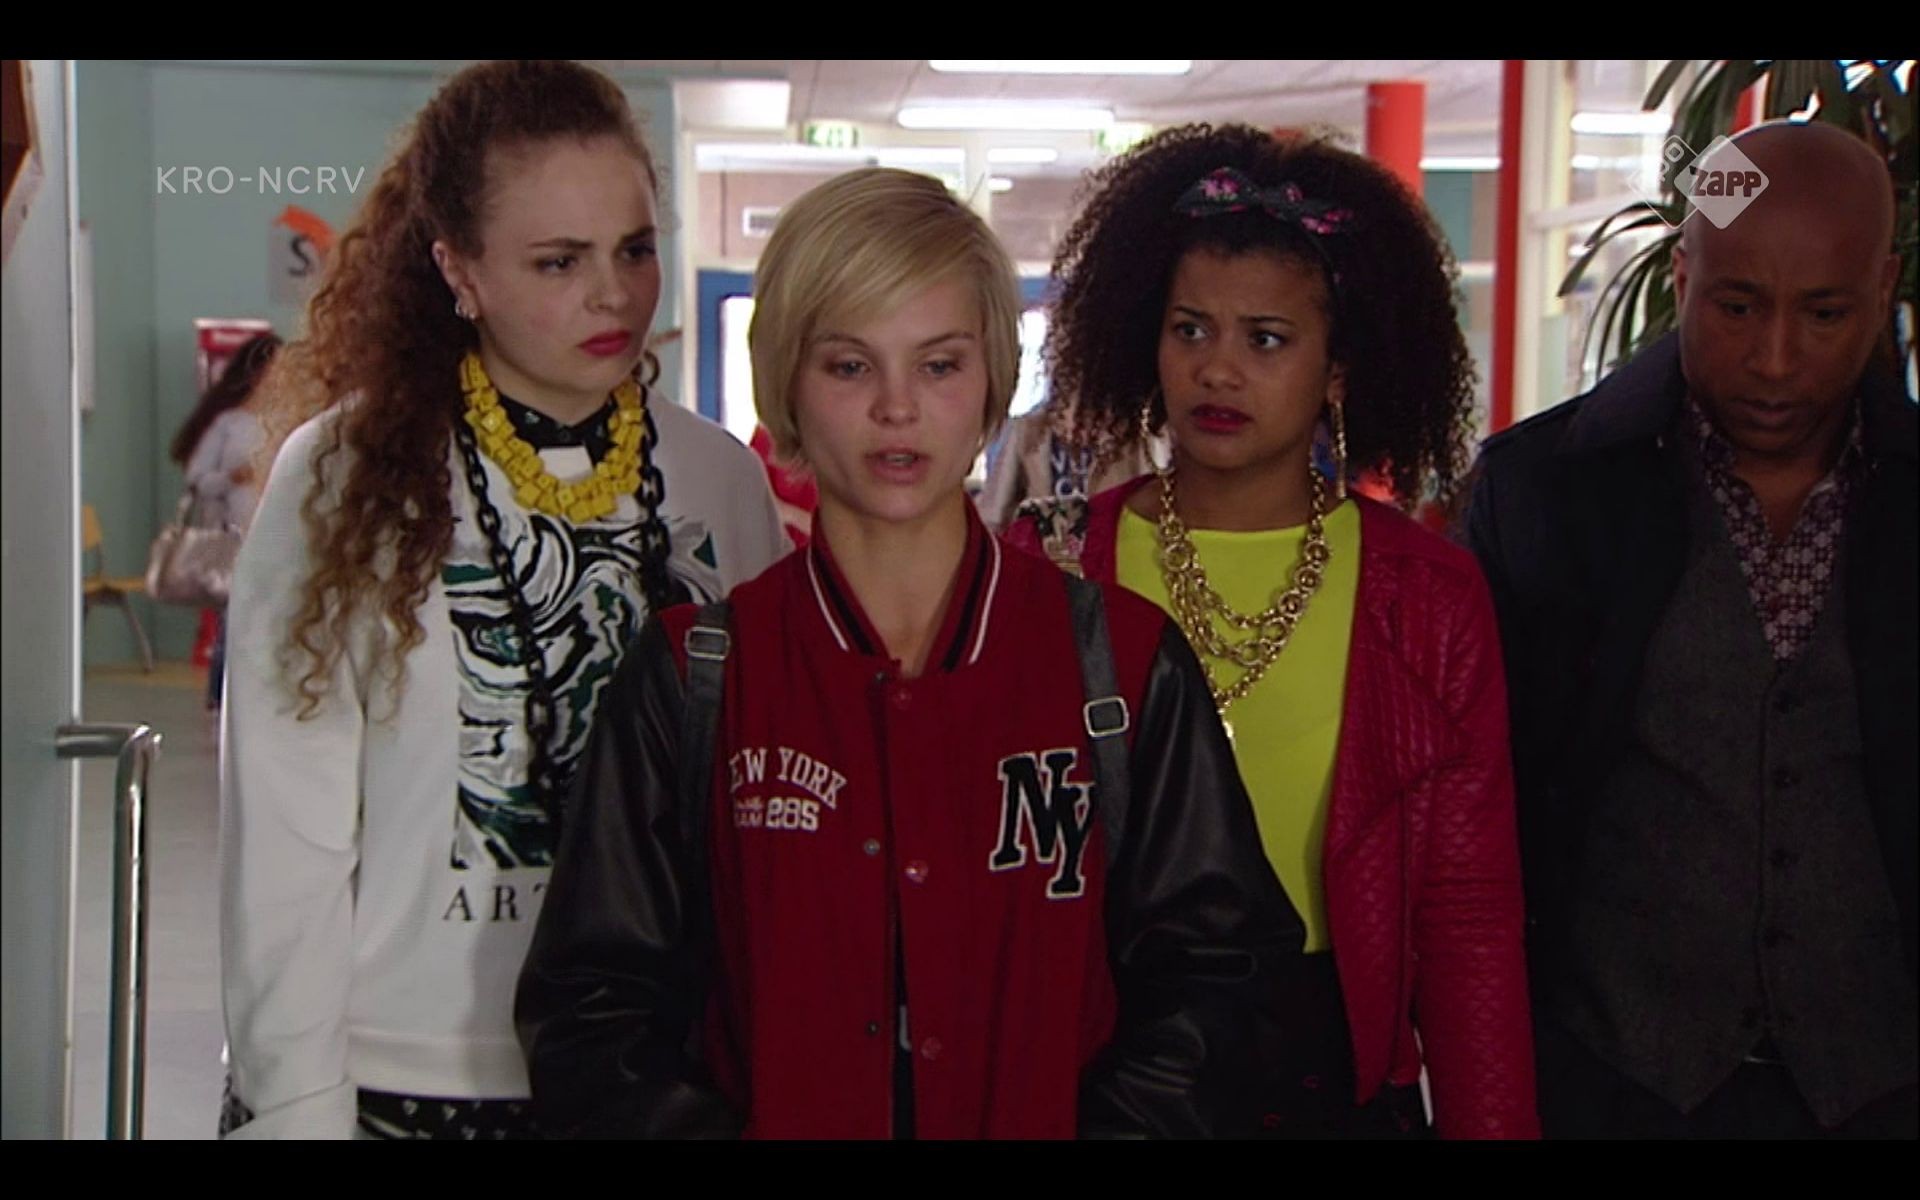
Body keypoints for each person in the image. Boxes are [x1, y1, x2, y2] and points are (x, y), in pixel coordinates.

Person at [515, 166, 1302, 1139]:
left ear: (992, 385)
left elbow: (1224, 982)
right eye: (850, 366)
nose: (898, 408)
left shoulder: (1123, 666)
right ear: (787, 386)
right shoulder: (694, 677)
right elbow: (589, 1013)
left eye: (939, 365)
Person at [218, 59, 787, 1140]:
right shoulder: (340, 478)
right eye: (559, 261)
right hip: (403, 1075)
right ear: (459, 270)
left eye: (634, 249)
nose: (613, 294)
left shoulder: (720, 479)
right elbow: (283, 846)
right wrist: (293, 1104)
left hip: (656, 1069)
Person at [1008, 124, 1537, 1138]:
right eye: (1189, 329)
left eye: (1265, 340)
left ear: (1338, 368)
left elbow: (1467, 916)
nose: (1217, 370)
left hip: (1334, 1074)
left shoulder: (1427, 594)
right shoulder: (1053, 562)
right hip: (1106, 1064)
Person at [1464, 119, 1916, 1138]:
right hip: (1611, 1082)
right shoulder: (1543, 494)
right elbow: (1483, 817)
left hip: (1884, 1086)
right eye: (1737, 305)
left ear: (1884, 287)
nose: (1775, 359)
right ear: (1682, 276)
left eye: (1825, 313)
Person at [172, 330, 280, 708]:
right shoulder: (229, 424)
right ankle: (222, 693)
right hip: (234, 535)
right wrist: (234, 477)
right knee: (234, 616)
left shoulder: (289, 421)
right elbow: (197, 478)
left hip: (275, 534)